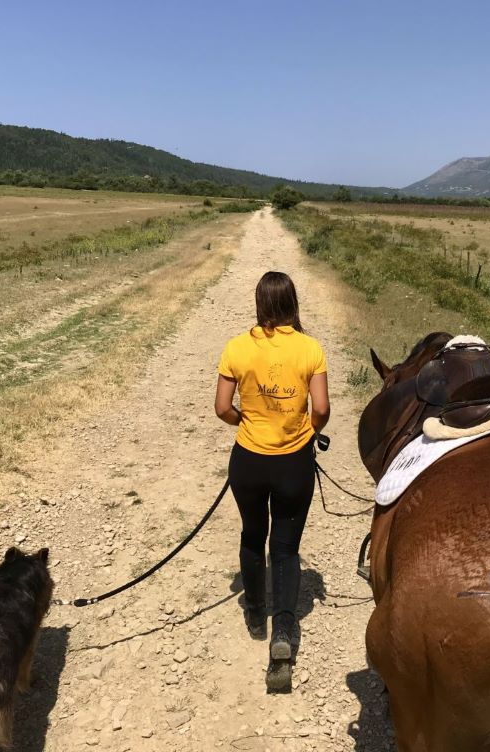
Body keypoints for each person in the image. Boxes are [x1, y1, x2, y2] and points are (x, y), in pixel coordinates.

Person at [214, 271, 330, 691]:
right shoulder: (310, 348)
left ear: (260, 303)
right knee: (285, 547)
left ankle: (254, 613)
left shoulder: (237, 347)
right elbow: (321, 408)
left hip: (248, 459)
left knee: (251, 534)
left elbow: (222, 407)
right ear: (293, 303)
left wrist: (245, 420)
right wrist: (307, 431)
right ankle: (283, 631)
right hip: (292, 462)